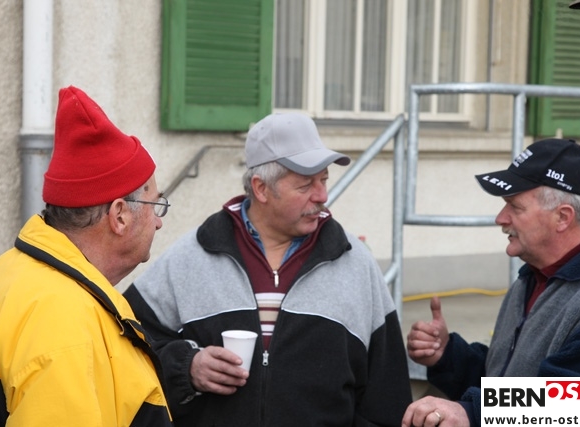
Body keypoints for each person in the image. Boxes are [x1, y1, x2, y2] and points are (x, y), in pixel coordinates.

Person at [124, 112, 413, 426]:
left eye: (324, 180)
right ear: (261, 188)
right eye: (305, 185)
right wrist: (186, 368)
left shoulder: (356, 264)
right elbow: (125, 351)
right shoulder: (188, 258)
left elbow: (387, 393)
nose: (322, 196)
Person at [0, 86, 173, 426]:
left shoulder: (3, 275)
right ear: (120, 216)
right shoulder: (65, 320)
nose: (159, 221)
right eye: (155, 204)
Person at [402, 138, 580, 427]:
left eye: (514, 206)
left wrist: (472, 413)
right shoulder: (530, 280)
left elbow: (579, 403)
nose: (500, 218)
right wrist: (447, 356)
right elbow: (506, 379)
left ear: (562, 217)